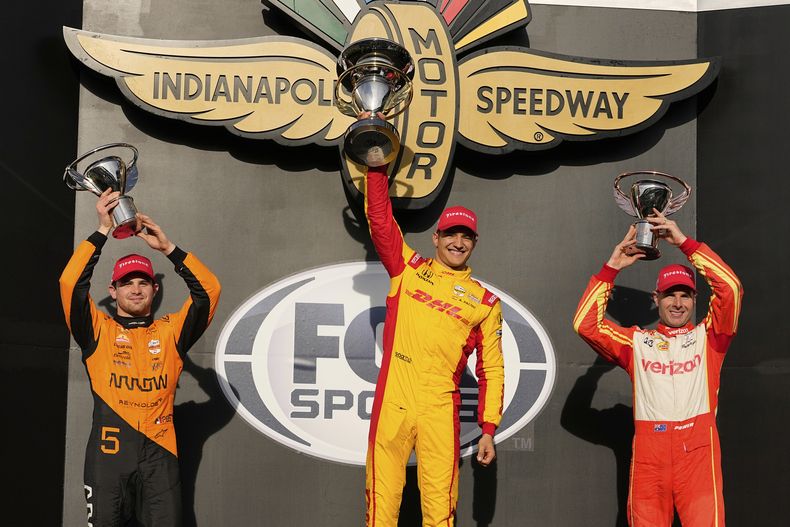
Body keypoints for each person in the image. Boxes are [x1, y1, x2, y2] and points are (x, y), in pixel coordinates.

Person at [60, 189, 221, 527]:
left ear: (154, 289)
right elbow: (70, 282)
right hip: (107, 461)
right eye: (127, 282)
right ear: (112, 290)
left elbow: (209, 291)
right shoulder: (96, 330)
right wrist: (102, 231)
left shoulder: (171, 331)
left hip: (160, 459)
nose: (136, 288)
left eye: (143, 282)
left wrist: (169, 250)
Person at [573, 211, 743, 526]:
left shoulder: (710, 338)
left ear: (695, 301)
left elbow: (730, 289)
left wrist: (684, 243)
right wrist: (612, 267)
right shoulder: (637, 342)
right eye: (669, 295)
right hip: (650, 458)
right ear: (657, 298)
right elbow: (584, 325)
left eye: (685, 295)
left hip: (698, 456)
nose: (677, 303)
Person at [363, 163, 505, 527]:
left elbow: (492, 368)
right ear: (436, 238)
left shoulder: (484, 302)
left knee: (440, 512)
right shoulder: (407, 269)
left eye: (467, 237)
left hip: (440, 409)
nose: (458, 242)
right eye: (451, 234)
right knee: (381, 507)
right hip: (394, 401)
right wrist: (376, 166)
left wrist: (488, 428)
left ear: (475, 243)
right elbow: (380, 222)